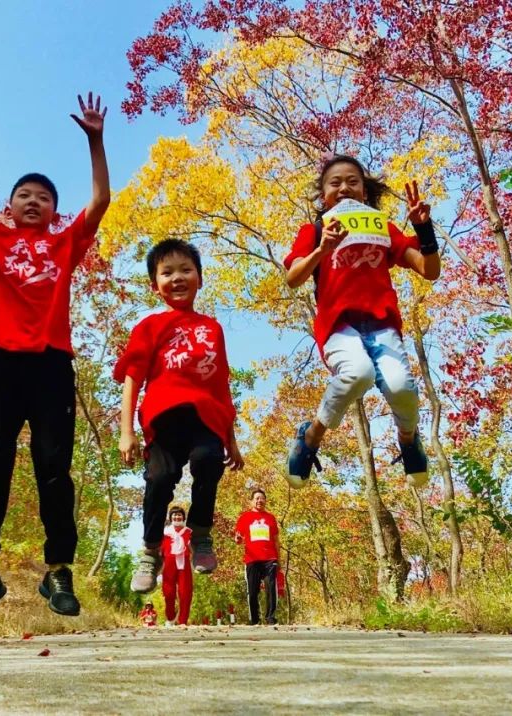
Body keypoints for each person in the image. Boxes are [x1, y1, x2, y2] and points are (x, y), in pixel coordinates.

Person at [0, 84, 110, 622]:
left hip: (51, 362)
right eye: (24, 194)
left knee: (54, 468)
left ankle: (58, 570)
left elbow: (100, 201)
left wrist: (95, 142)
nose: (34, 200)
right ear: (8, 207)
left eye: (44, 197)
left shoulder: (65, 243)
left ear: (55, 211)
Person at [283, 155, 440, 489]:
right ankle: (311, 436)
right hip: (339, 326)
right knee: (358, 373)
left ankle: (408, 440)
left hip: (382, 324)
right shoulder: (313, 231)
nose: (344, 187)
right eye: (335, 182)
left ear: (364, 191)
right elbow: (293, 278)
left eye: (352, 181)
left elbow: (429, 270)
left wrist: (423, 229)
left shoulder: (381, 227)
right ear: (324, 195)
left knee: (401, 387)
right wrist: (321, 250)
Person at [114, 239, 244, 593]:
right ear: (154, 285)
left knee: (208, 460)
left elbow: (221, 384)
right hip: (163, 419)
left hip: (206, 418)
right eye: (167, 272)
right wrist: (127, 432)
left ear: (199, 278)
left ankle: (200, 534)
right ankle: (150, 550)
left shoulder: (212, 328)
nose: (177, 278)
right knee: (159, 478)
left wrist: (231, 439)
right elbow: (132, 378)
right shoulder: (149, 326)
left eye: (186, 270)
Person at [234, 489, 280, 625]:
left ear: (265, 500)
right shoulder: (245, 517)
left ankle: (270, 617)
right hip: (252, 559)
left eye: (262, 498)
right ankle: (254, 619)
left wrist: (279, 559)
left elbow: (276, 540)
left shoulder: (271, 518)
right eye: (257, 498)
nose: (260, 500)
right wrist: (237, 539)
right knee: (253, 590)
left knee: (271, 587)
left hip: (270, 558)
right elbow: (238, 538)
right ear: (252, 501)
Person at [161, 505, 193, 626]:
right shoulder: (164, 533)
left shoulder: (189, 532)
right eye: (174, 515)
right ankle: (170, 617)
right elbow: (159, 551)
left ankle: (183, 620)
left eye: (179, 515)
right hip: (168, 564)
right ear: (170, 518)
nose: (177, 517)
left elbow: (194, 549)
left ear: (183, 518)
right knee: (168, 592)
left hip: (184, 563)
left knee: (185, 592)